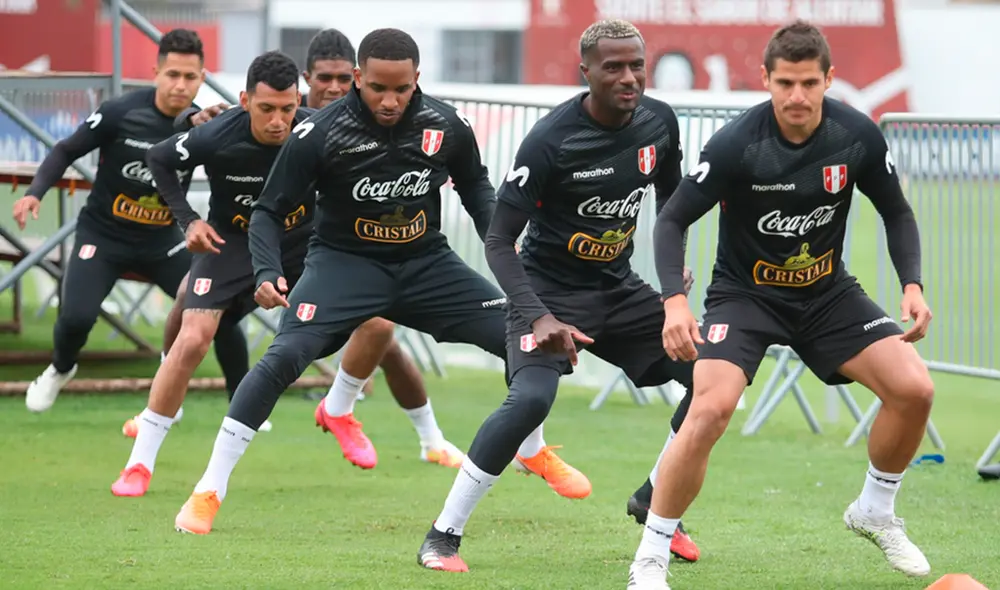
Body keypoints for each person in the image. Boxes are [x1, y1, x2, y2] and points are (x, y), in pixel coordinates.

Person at [172, 28, 589, 536]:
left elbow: (476, 187)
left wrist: (502, 238)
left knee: (526, 334)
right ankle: (209, 489)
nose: (389, 101)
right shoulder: (319, 132)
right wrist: (267, 270)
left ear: (417, 79)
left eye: (401, 89)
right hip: (344, 266)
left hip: (426, 264)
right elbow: (267, 212)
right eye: (377, 88)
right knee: (283, 357)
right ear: (357, 79)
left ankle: (532, 449)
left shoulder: (446, 124)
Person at [626, 20, 934, 589]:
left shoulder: (856, 136)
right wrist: (675, 302)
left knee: (915, 389)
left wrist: (911, 284)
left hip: (827, 293)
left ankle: (874, 511)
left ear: (828, 80)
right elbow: (671, 220)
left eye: (809, 83)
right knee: (710, 408)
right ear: (765, 79)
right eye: (785, 83)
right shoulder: (737, 144)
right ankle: (650, 556)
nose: (797, 96)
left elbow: (896, 210)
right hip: (745, 297)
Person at [415, 19, 704, 573]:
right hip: (547, 293)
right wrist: (538, 315)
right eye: (613, 67)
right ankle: (442, 536)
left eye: (636, 65)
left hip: (618, 288)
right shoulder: (551, 140)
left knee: (712, 376)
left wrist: (673, 285)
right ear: (586, 72)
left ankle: (655, 500)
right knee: (529, 401)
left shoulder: (659, 122)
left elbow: (672, 208)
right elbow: (498, 241)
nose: (628, 77)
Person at [109, 50, 315, 497]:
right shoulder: (219, 134)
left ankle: (341, 408)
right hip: (230, 243)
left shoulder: (316, 130)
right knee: (193, 337)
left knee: (374, 323)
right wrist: (188, 221)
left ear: (298, 101)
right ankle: (139, 464)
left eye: (287, 108)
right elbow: (160, 158)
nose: (278, 121)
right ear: (244, 100)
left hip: (299, 245)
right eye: (266, 108)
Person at [12, 29, 249, 414]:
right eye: (172, 74)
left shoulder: (204, 124)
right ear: (156, 72)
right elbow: (66, 150)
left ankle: (242, 405)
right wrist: (34, 193)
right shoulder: (121, 112)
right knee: (76, 318)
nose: (180, 85)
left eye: (190, 77)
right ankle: (59, 369)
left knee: (217, 310)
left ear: (202, 78)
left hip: (163, 241)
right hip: (103, 236)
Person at [299, 27, 467, 470]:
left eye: (342, 78)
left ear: (355, 78)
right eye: (324, 78)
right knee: (197, 304)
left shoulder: (379, 123)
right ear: (306, 79)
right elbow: (234, 131)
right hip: (294, 248)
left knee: (382, 333)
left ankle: (429, 439)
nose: (334, 87)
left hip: (348, 250)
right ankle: (163, 418)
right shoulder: (294, 121)